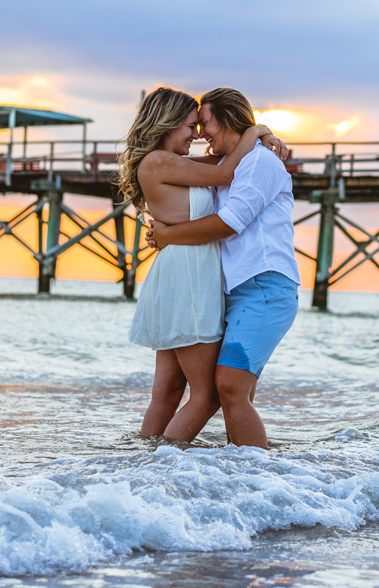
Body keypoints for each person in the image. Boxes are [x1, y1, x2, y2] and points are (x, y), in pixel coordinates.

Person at [116, 87, 286, 442]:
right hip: (189, 275)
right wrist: (255, 132)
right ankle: (164, 464)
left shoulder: (175, 164)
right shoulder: (160, 161)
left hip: (179, 271)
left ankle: (143, 462)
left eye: (201, 125)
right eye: (191, 126)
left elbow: (227, 164)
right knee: (206, 395)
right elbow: (226, 175)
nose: (196, 135)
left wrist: (257, 132)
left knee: (168, 389)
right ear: (168, 123)